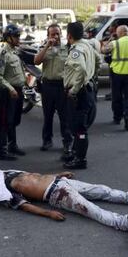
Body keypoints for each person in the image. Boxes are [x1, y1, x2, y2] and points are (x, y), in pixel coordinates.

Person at [0, 169, 128, 239]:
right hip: (57, 194)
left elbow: (40, 176)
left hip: (61, 183)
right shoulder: (8, 192)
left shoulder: (12, 174)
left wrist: (59, 174)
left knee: (102, 190)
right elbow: (26, 206)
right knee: (92, 210)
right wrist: (49, 214)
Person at [34, 24, 72, 157]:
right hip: (48, 86)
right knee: (48, 115)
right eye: (52, 34)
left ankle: (67, 142)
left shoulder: (67, 48)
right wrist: (46, 46)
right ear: (48, 36)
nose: (55, 36)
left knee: (64, 116)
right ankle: (47, 140)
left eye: (57, 34)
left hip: (62, 86)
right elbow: (36, 61)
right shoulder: (44, 48)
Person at [63, 22, 96, 169]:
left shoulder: (76, 50)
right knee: (77, 127)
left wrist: (74, 89)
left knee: (80, 129)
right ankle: (76, 154)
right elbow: (98, 60)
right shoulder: (88, 45)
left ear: (69, 35)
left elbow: (81, 69)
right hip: (87, 89)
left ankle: (80, 160)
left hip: (79, 93)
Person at [0, 24, 26, 161]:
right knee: (5, 121)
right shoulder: (2, 54)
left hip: (17, 91)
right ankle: (1, 150)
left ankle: (12, 145)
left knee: (14, 120)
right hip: (8, 92)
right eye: (16, 36)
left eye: (19, 35)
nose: (18, 38)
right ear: (8, 38)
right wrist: (11, 88)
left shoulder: (15, 51)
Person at [102, 25, 128, 131]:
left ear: (118, 33)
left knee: (117, 96)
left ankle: (117, 118)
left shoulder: (115, 43)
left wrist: (111, 38)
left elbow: (102, 50)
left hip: (117, 74)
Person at [102, 22, 118, 101]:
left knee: (113, 79)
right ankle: (113, 93)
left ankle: (114, 94)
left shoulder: (115, 36)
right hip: (112, 61)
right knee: (112, 79)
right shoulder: (113, 35)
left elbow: (106, 48)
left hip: (114, 61)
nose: (108, 28)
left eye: (110, 27)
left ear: (114, 27)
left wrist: (105, 44)